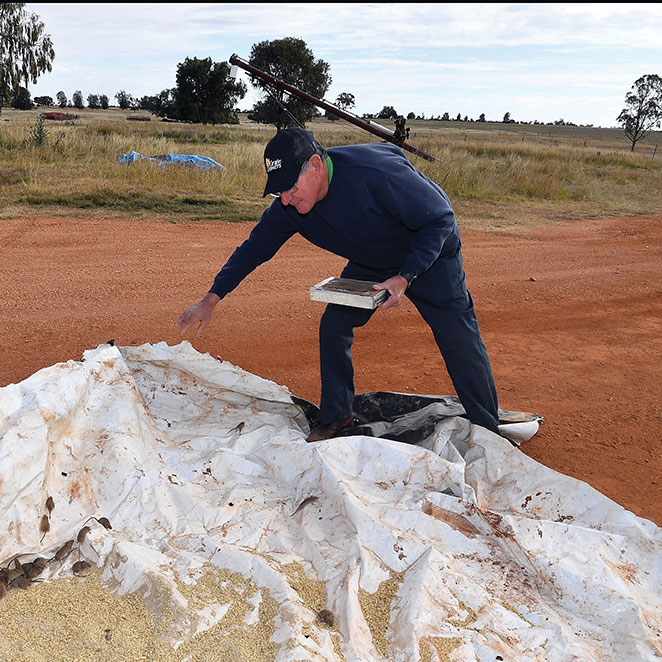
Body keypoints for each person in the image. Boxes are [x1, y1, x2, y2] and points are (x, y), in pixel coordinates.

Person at [177, 127, 500, 442]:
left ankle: (488, 430)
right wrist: (211, 299)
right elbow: (254, 249)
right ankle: (338, 416)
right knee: (334, 324)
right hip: (371, 260)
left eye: (290, 188)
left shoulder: (377, 173)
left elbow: (439, 218)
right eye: (279, 192)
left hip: (430, 255)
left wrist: (406, 275)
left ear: (315, 166)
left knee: (458, 335)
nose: (286, 199)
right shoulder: (290, 208)